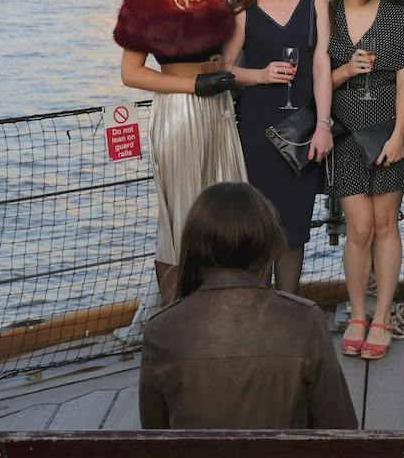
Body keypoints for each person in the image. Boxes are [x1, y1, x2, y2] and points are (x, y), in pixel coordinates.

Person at [138, 181, 357, 429]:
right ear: (266, 244)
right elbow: (340, 428)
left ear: (194, 244)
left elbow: (155, 436)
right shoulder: (305, 320)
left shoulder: (161, 330)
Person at [115, 0, 246, 298]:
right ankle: (177, 312)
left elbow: (226, 44)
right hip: (180, 112)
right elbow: (131, 73)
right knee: (185, 214)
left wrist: (223, 67)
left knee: (230, 206)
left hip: (219, 108)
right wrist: (194, 87)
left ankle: (224, 303)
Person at [226, 0, 332, 295]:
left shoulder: (315, 0)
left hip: (301, 132)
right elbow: (224, 69)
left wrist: (323, 125)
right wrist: (261, 75)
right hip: (255, 132)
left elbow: (322, 64)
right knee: (256, 229)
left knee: (293, 230)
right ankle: (258, 314)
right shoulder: (243, 7)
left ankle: (287, 307)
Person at [325, 0, 404, 361]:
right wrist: (345, 69)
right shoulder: (327, 14)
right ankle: (358, 313)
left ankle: (382, 316)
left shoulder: (397, 15)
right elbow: (316, 81)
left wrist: (399, 135)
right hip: (345, 134)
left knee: (385, 225)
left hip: (387, 132)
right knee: (358, 228)